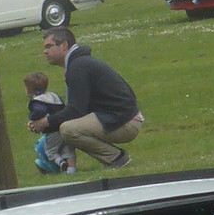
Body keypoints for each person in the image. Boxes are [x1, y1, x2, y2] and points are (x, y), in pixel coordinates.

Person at [30, 27, 144, 171]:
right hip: (119, 118)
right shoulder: (79, 63)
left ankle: (116, 158)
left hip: (125, 123)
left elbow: (75, 110)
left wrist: (45, 122)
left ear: (64, 45)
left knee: (68, 129)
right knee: (66, 126)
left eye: (49, 46)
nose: (45, 52)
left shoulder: (78, 66)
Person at [23, 71, 74, 174]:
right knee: (67, 149)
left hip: (52, 131)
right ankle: (71, 169)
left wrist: (32, 118)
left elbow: (40, 111)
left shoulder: (37, 101)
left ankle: (60, 163)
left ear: (29, 89)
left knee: (51, 151)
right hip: (64, 127)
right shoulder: (54, 96)